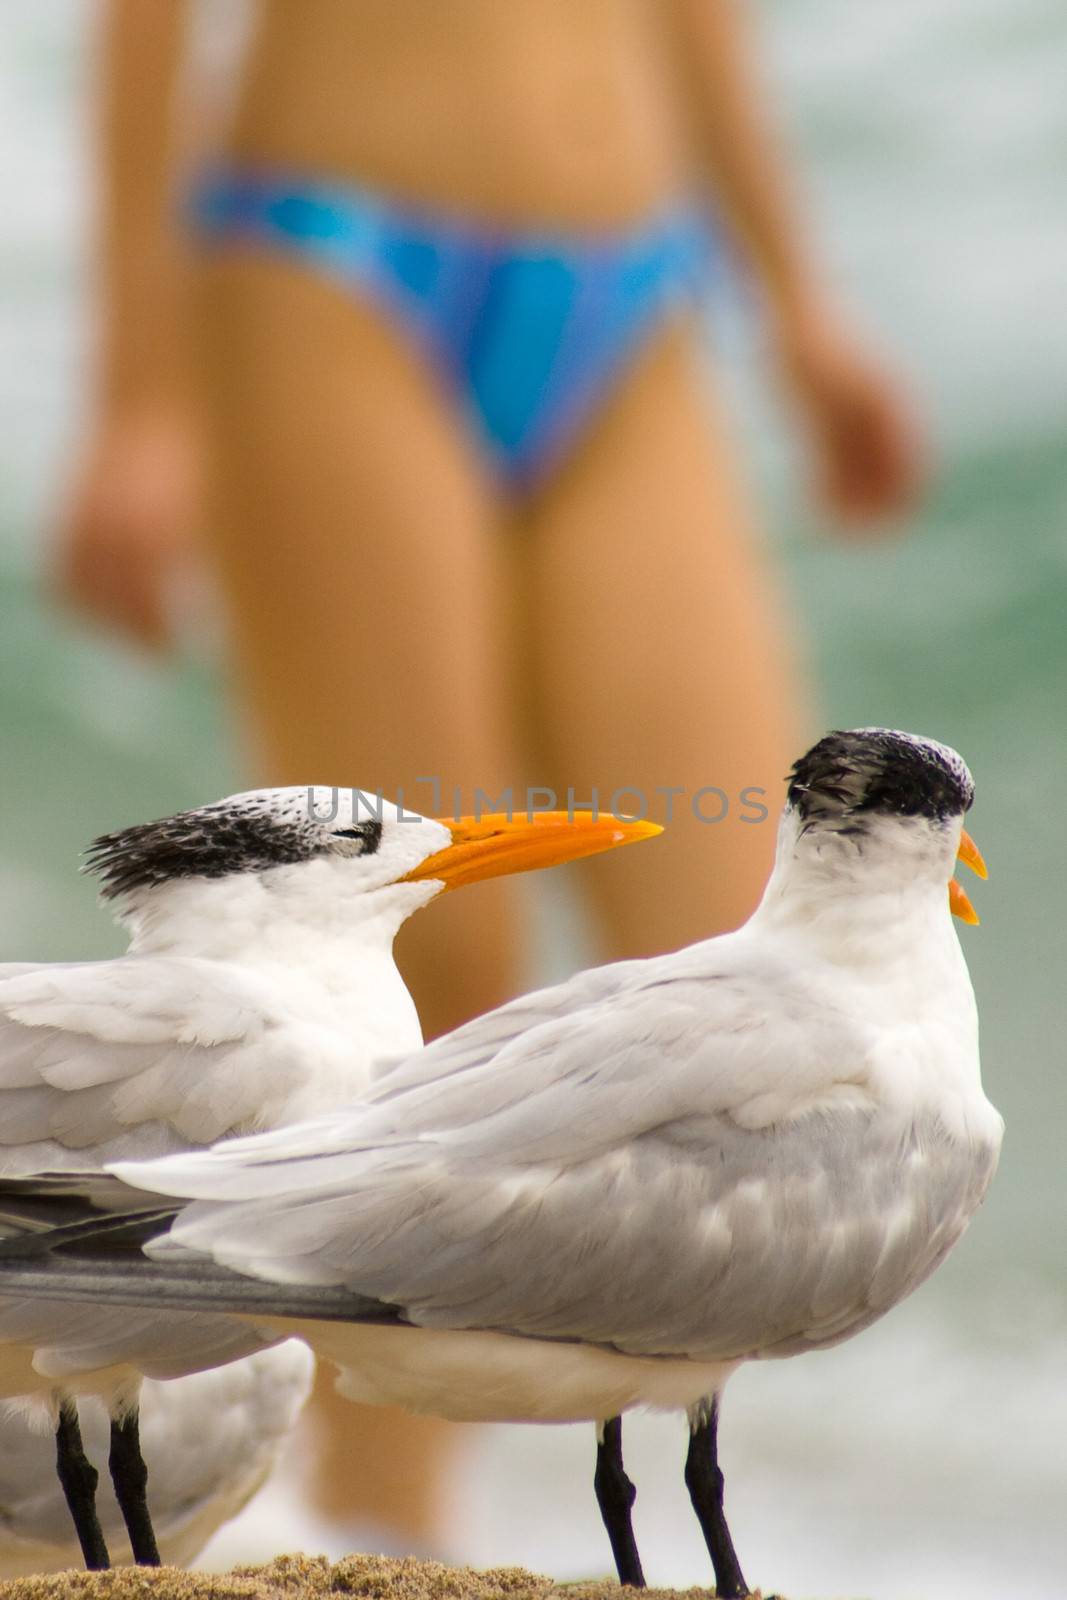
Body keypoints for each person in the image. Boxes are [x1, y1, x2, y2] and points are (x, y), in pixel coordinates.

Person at [55, 0, 924, 1554]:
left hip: (638, 278)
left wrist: (800, 302)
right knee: (432, 936)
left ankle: (694, 1508)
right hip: (327, 260)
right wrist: (138, 396)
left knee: (759, 938)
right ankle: (371, 1536)